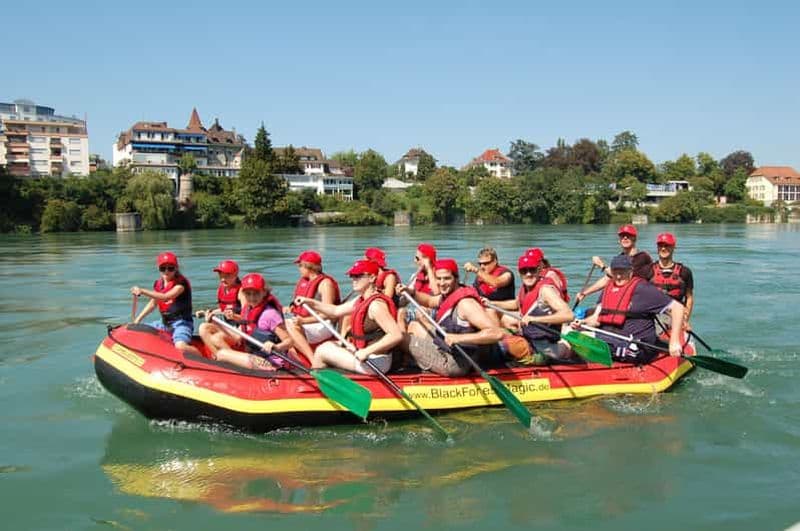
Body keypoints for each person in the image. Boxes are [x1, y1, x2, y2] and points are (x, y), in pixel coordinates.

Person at [296, 259, 403, 374]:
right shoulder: (361, 299)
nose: (354, 280)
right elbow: (335, 311)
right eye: (352, 276)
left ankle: (315, 384)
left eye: (358, 276)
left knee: (322, 351)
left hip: (376, 362)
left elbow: (396, 335)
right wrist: (309, 302)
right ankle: (324, 379)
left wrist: (366, 351)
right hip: (366, 355)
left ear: (372, 278)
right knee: (328, 345)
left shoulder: (375, 305)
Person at [400, 258, 504, 377]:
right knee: (414, 325)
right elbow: (429, 301)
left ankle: (410, 365)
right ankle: (418, 359)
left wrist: (459, 338)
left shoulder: (466, 304)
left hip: (455, 363)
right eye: (438, 278)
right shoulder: (448, 294)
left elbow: (497, 333)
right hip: (447, 347)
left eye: (447, 278)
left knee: (401, 338)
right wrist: (410, 292)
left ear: (456, 278)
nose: (442, 283)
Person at [575, 254, 685, 363]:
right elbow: (595, 320)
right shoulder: (608, 289)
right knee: (570, 333)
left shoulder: (643, 289)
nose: (618, 276)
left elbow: (678, 308)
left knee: (578, 340)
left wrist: (674, 342)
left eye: (622, 272)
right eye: (615, 272)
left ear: (630, 272)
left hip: (635, 347)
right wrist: (582, 323)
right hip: (609, 339)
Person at [497, 253, 576, 365]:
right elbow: (517, 303)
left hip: (545, 347)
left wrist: (535, 319)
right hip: (529, 339)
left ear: (539, 270)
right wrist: (490, 303)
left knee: (504, 346)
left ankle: (567, 347)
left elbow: (569, 315)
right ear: (519, 272)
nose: (528, 274)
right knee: (498, 333)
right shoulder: (526, 288)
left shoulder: (545, 290)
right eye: (524, 271)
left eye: (532, 270)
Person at [213, 273, 293, 371]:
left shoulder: (270, 314)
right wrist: (217, 323)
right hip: (256, 356)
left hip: (272, 362)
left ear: (264, 292)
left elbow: (289, 341)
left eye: (256, 293)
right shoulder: (248, 311)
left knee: (222, 354)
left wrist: (276, 346)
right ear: (243, 294)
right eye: (248, 294)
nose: (252, 297)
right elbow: (237, 337)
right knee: (220, 352)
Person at [131, 252, 201, 356]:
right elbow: (153, 303)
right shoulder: (158, 284)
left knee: (180, 346)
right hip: (165, 324)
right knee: (139, 331)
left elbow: (166, 297)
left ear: (176, 268)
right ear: (159, 269)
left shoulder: (181, 284)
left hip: (181, 323)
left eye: (170, 268)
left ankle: (200, 356)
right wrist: (138, 319)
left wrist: (142, 291)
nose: (166, 271)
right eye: (163, 268)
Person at [284, 250, 341, 365]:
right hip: (306, 322)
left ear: (308, 266)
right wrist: (289, 309)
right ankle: (291, 358)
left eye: (300, 265)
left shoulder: (325, 284)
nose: (299, 268)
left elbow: (328, 314)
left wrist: (304, 321)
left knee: (289, 325)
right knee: (277, 320)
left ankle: (313, 361)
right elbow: (299, 306)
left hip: (323, 324)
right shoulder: (305, 281)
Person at [575, 224, 653, 304]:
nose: (625, 238)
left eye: (628, 236)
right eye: (622, 236)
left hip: (638, 297)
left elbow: (625, 276)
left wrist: (602, 265)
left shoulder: (642, 257)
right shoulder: (620, 258)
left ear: (634, 239)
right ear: (619, 240)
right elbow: (606, 279)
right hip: (625, 296)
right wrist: (584, 293)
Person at [197, 259, 244, 356]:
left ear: (235, 275)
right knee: (203, 327)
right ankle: (218, 358)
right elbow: (224, 309)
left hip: (240, 330)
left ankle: (232, 359)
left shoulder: (242, 292)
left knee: (217, 338)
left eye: (227, 276)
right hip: (229, 327)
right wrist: (209, 312)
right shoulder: (222, 289)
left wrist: (234, 316)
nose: (223, 279)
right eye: (221, 275)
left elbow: (249, 317)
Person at [650, 232, 694, 329]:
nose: (663, 248)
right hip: (655, 316)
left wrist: (685, 319)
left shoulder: (685, 272)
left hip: (676, 315)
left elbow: (689, 297)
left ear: (674, 247)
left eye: (667, 246)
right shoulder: (649, 270)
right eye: (660, 245)